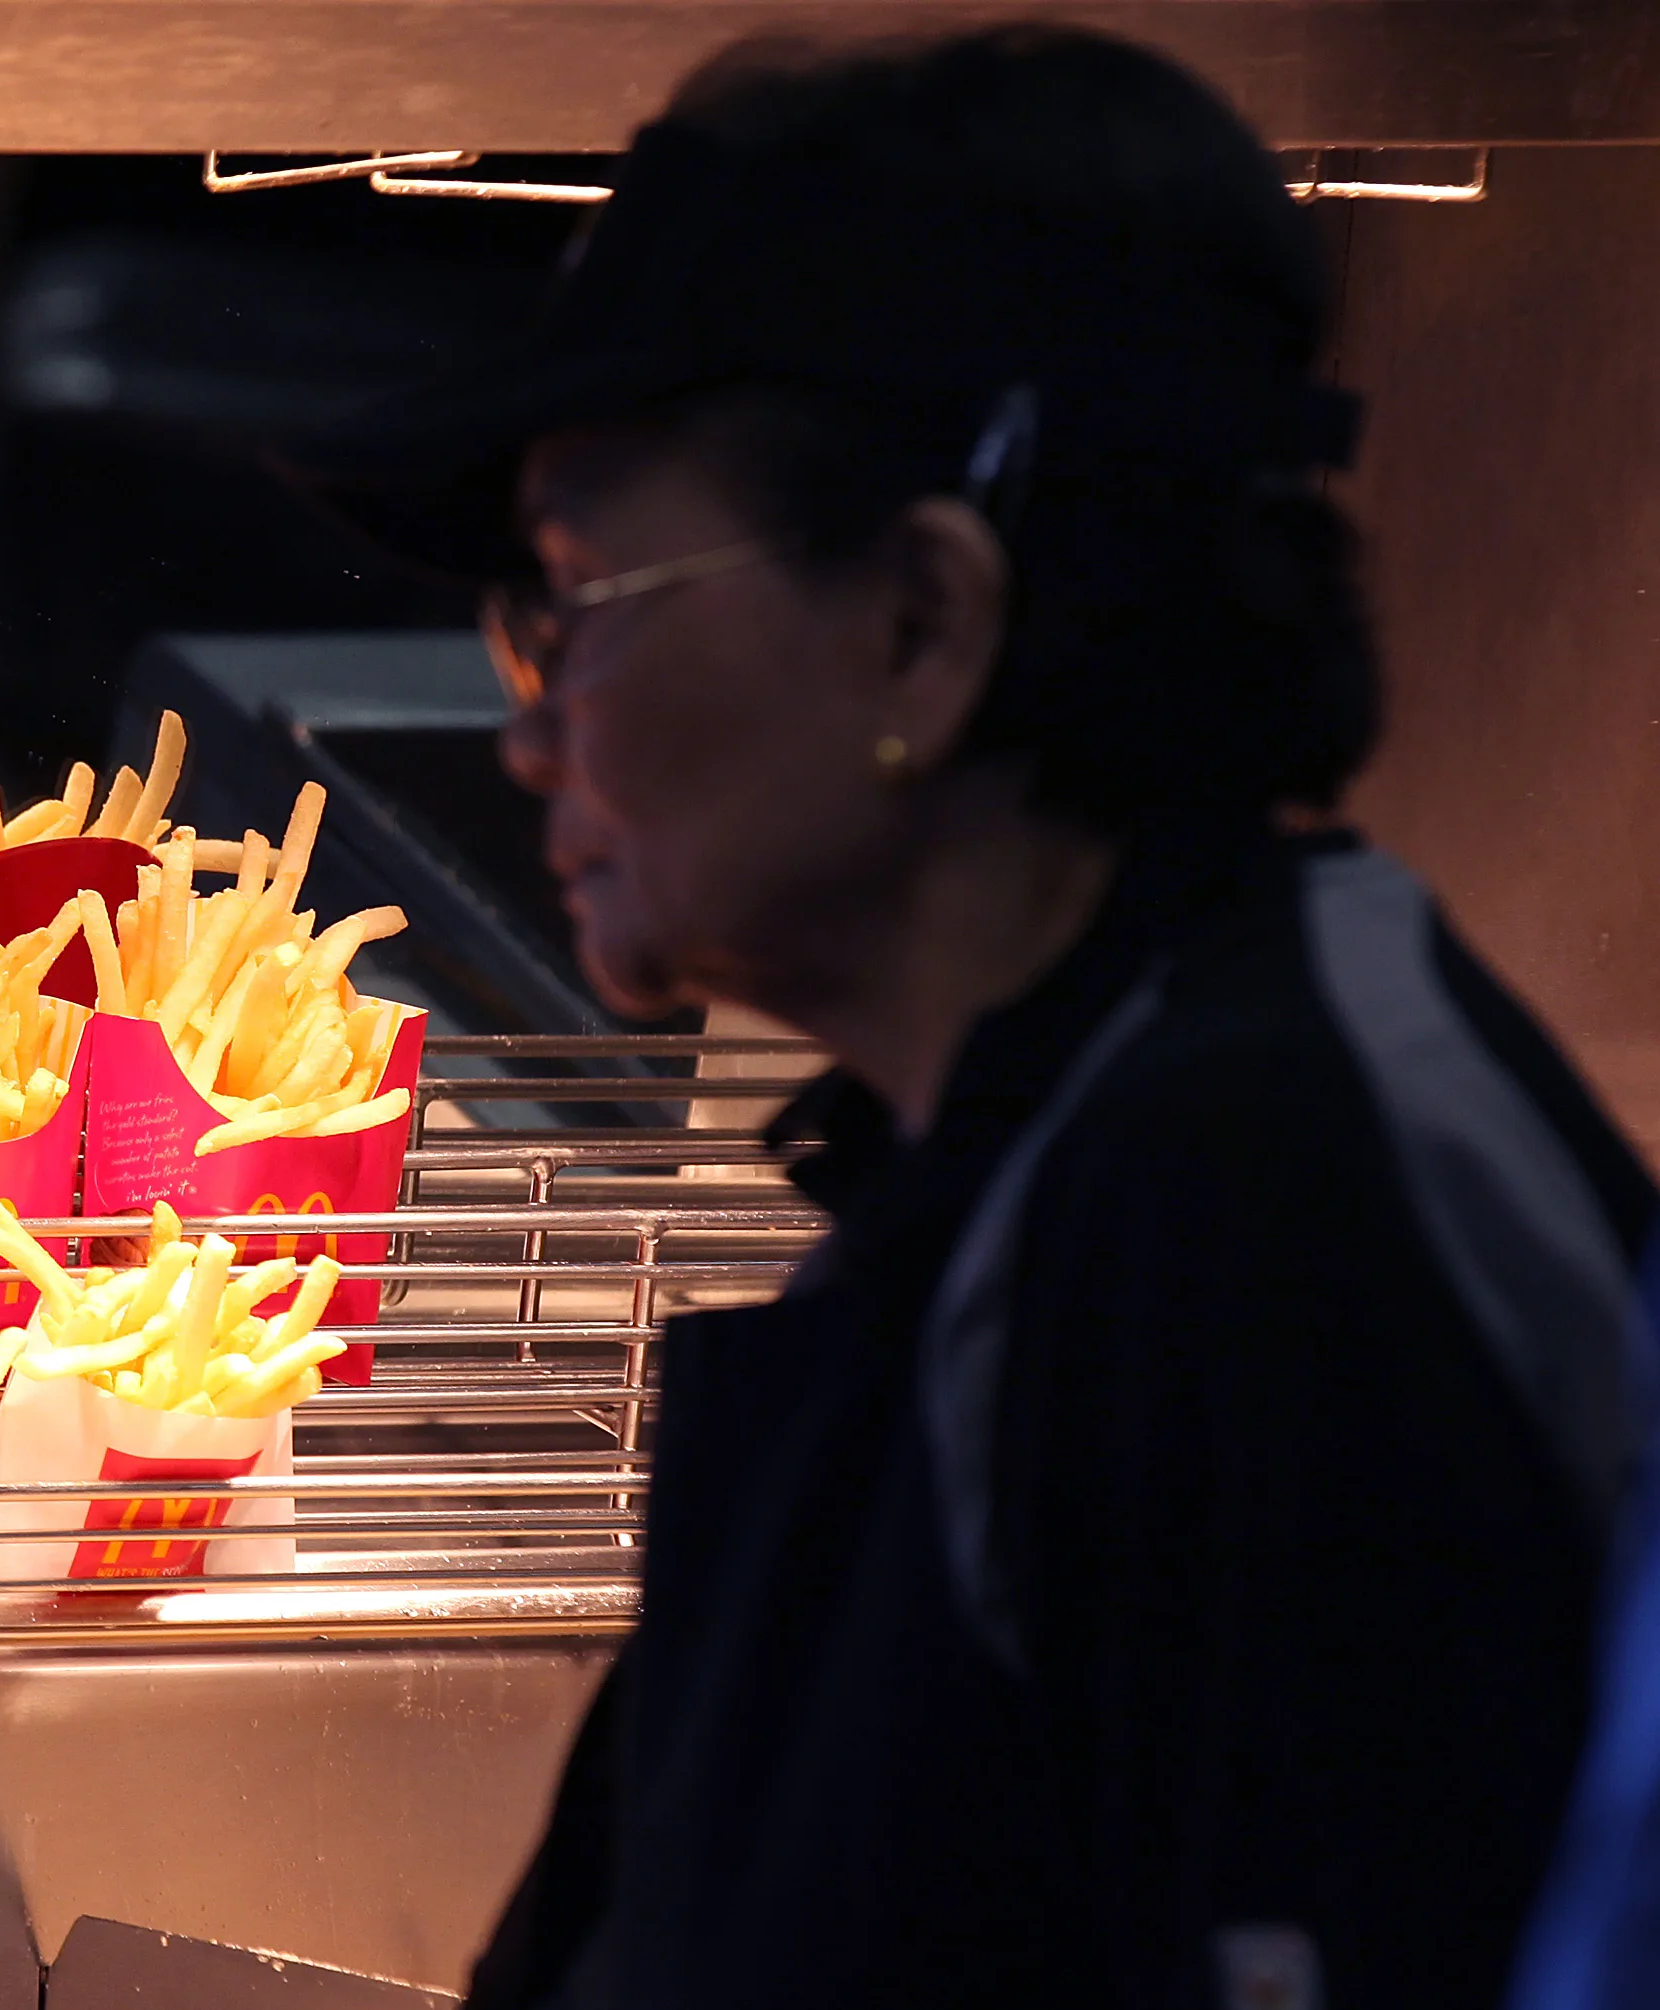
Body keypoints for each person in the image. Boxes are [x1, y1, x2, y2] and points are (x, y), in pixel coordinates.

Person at [288, 26, 1653, 2010]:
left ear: (926, 620)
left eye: (578, 602)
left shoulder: (1272, 1214)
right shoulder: (1005, 1161)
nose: (523, 730)